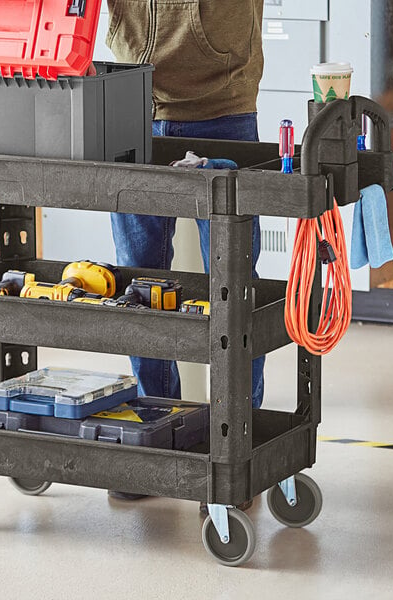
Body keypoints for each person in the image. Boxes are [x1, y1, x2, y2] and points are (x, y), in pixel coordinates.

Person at [106, 1, 266, 509]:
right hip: (131, 103)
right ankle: (155, 435)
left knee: (234, 288)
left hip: (225, 107)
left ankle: (236, 446)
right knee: (139, 286)